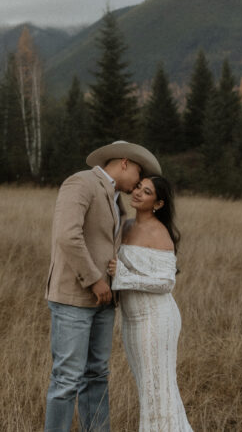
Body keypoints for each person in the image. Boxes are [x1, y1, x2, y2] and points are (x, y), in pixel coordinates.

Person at [44, 140, 162, 432]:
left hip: (104, 302)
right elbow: (67, 236)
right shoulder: (80, 183)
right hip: (74, 298)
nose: (138, 183)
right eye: (138, 172)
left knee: (97, 375)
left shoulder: (113, 197)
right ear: (124, 163)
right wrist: (95, 280)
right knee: (67, 379)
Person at [108, 175, 193, 431]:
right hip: (132, 319)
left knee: (160, 391)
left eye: (146, 192)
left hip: (156, 318)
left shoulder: (159, 232)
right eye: (138, 187)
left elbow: (166, 283)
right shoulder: (128, 225)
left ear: (158, 203)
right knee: (149, 390)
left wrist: (122, 275)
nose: (137, 193)